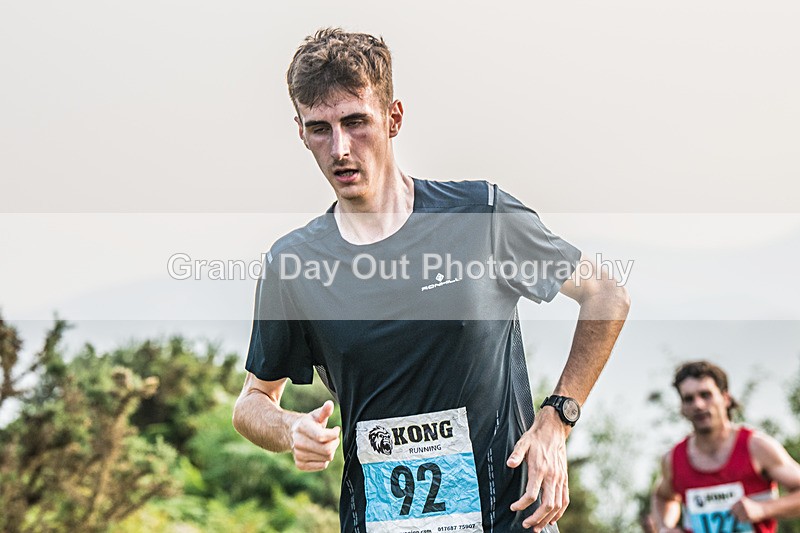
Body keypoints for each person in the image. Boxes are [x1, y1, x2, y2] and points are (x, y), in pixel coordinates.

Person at [232, 28, 630, 533]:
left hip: (508, 520)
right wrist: (290, 429)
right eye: (319, 129)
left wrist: (557, 419)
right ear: (300, 132)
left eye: (356, 122)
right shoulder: (294, 263)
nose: (339, 148)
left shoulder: (478, 215)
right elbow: (253, 402)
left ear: (394, 118)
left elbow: (606, 295)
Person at [651, 361, 800, 533]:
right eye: (689, 399)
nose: (698, 405)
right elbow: (662, 497)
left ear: (726, 398)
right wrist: (664, 528)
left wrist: (763, 509)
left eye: (705, 395)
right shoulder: (673, 459)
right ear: (683, 408)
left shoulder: (757, 447)